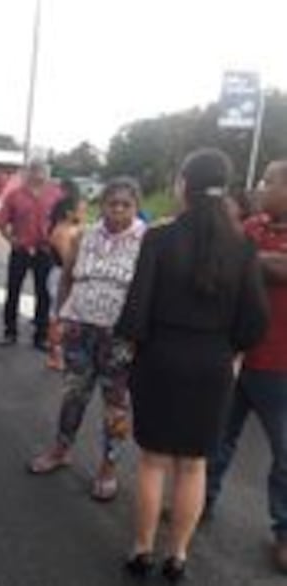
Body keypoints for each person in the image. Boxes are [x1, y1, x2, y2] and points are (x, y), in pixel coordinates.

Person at [116, 148, 269, 582]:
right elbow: (255, 321)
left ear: (184, 183)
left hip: (160, 358)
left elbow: (134, 314)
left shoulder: (159, 238)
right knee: (194, 464)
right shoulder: (243, 246)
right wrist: (229, 350)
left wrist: (138, 353)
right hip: (214, 363)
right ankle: (178, 556)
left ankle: (141, 549)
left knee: (153, 461)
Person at [29, 178, 146, 502]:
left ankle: (109, 466)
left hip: (119, 338)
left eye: (126, 204)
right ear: (102, 204)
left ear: (136, 207)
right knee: (73, 395)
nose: (118, 210)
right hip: (80, 330)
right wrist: (59, 318)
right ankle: (61, 449)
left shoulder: (146, 241)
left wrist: (141, 335)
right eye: (112, 203)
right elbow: (67, 277)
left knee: (116, 407)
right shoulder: (85, 236)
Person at [206, 159, 287, 575]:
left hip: (281, 369)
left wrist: (246, 260)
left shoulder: (250, 238)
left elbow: (272, 267)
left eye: (268, 182)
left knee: (285, 456)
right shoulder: (252, 227)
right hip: (237, 357)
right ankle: (200, 501)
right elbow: (223, 256)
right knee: (219, 438)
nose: (259, 187)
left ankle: (284, 532)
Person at [0, 159, 63, 349]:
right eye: (35, 171)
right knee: (13, 290)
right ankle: (10, 332)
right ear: (29, 173)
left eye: (43, 171)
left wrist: (56, 240)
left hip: (45, 251)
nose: (39, 175)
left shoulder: (56, 195)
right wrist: (11, 239)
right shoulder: (15, 195)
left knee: (44, 294)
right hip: (21, 250)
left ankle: (40, 336)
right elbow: (0, 220)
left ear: (48, 173)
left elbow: (65, 220)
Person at [45, 180, 87, 370]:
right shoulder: (62, 231)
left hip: (68, 275)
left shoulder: (73, 229)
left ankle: (61, 352)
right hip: (61, 275)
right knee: (57, 316)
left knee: (67, 316)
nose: (83, 213)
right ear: (69, 213)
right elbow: (67, 259)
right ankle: (54, 355)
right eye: (80, 209)